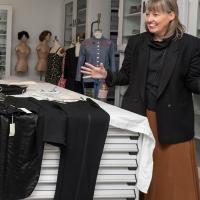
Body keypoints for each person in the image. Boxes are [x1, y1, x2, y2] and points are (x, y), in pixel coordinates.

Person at [81, 0, 200, 200]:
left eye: (155, 15)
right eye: (147, 14)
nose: (149, 20)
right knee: (137, 177)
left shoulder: (191, 45)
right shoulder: (137, 42)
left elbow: (194, 82)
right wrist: (106, 75)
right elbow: (125, 76)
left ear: (172, 15)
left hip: (173, 122)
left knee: (173, 182)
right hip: (140, 118)